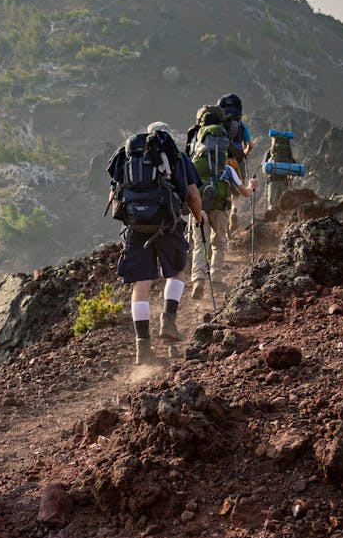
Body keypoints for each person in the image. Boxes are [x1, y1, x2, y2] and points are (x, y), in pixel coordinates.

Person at [108, 122, 204, 363]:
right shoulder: (177, 157)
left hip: (135, 228)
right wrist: (198, 217)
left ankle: (143, 347)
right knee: (176, 273)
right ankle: (168, 321)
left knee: (141, 284)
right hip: (167, 225)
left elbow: (114, 195)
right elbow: (192, 195)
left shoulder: (127, 157)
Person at [188, 113, 258, 299]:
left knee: (199, 245)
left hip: (198, 208)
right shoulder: (227, 167)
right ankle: (216, 280)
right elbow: (244, 192)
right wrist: (252, 187)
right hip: (220, 208)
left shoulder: (194, 165)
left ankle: (198, 280)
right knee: (218, 243)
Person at [218, 94, 254, 232]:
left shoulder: (219, 126)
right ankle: (234, 211)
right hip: (236, 162)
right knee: (236, 192)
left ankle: (225, 217)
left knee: (223, 192)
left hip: (221, 161)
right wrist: (244, 153)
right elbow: (250, 145)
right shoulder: (241, 126)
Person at [264, 130, 297, 219]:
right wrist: (290, 176)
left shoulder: (270, 153)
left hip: (273, 181)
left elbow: (264, 168)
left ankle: (272, 222)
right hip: (284, 181)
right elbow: (293, 165)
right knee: (284, 204)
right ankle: (282, 221)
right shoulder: (287, 154)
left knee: (272, 205)